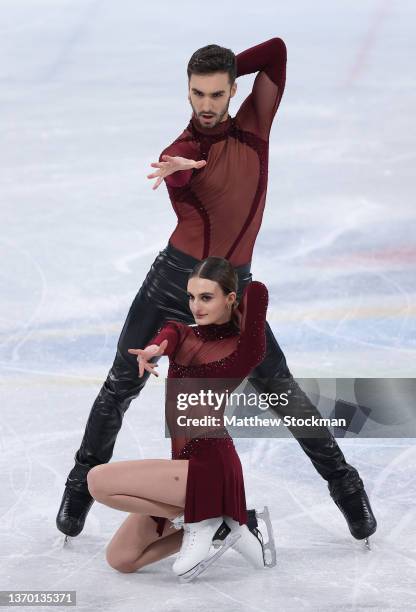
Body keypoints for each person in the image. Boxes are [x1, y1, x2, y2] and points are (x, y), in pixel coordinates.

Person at [57, 37, 376, 547]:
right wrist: (176, 167)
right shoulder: (188, 149)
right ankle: (80, 484)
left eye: (215, 94)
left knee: (282, 392)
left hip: (234, 293)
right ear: (186, 94)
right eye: (196, 94)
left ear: (232, 92)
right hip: (172, 285)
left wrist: (232, 64)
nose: (205, 106)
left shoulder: (255, 128)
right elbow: (176, 160)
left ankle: (346, 484)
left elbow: (275, 51)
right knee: (123, 383)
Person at [87, 257, 274, 580]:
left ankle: (212, 515)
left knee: (98, 481)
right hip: (183, 466)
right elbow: (169, 333)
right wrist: (153, 349)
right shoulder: (184, 335)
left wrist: (233, 284)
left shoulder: (244, 349)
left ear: (230, 298)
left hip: (211, 467)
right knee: (122, 559)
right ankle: (218, 522)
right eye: (191, 297)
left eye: (206, 297)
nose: (196, 306)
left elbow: (257, 292)